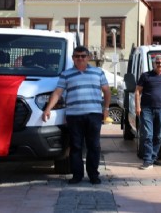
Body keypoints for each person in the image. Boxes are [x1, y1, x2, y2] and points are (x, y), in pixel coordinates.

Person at [42, 46, 110, 184]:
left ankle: (93, 175)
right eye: (77, 56)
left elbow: (107, 91)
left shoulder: (98, 72)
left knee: (94, 146)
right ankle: (77, 175)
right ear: (73, 58)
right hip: (74, 115)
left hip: (94, 114)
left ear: (88, 57)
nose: (80, 59)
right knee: (75, 146)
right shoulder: (66, 74)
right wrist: (48, 108)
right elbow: (57, 92)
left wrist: (106, 108)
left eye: (83, 56)